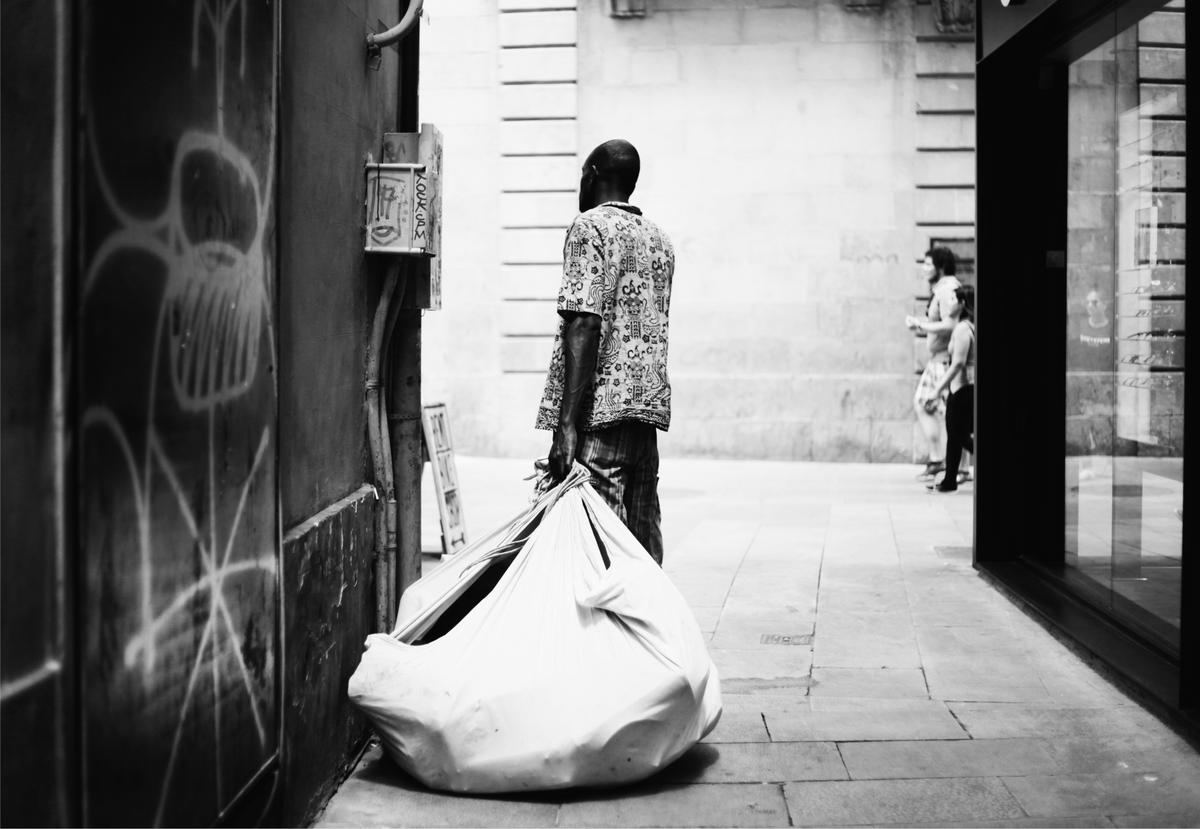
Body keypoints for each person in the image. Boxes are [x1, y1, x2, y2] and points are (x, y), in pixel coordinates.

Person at [535, 139, 675, 565]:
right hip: (643, 418)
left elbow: (585, 322)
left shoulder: (589, 228)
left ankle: (606, 633)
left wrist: (566, 426)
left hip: (599, 419)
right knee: (641, 553)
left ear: (593, 174)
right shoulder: (659, 240)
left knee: (596, 555)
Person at [905, 247, 961, 481]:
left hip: (946, 361)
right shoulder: (943, 289)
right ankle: (944, 462)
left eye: (928, 264)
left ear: (940, 267)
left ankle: (943, 462)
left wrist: (922, 326)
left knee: (932, 406)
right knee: (939, 409)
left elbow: (951, 324)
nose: (924, 268)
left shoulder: (947, 289)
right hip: (939, 360)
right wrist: (922, 321)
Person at [925, 284, 975, 493]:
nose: (950, 303)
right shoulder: (964, 326)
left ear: (963, 303)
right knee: (955, 436)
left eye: (954, 299)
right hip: (960, 389)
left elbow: (958, 364)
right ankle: (949, 480)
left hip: (963, 389)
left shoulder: (963, 329)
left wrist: (938, 389)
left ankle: (950, 479)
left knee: (958, 434)